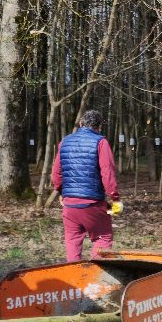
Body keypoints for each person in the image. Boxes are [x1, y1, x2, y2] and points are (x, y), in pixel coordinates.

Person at [50, 110, 122, 262]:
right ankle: (97, 277)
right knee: (103, 238)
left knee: (72, 241)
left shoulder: (64, 142)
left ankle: (74, 279)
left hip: (69, 205)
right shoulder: (101, 142)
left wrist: (62, 192)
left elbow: (56, 174)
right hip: (93, 204)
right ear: (99, 127)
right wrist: (115, 198)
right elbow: (107, 174)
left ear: (81, 124)